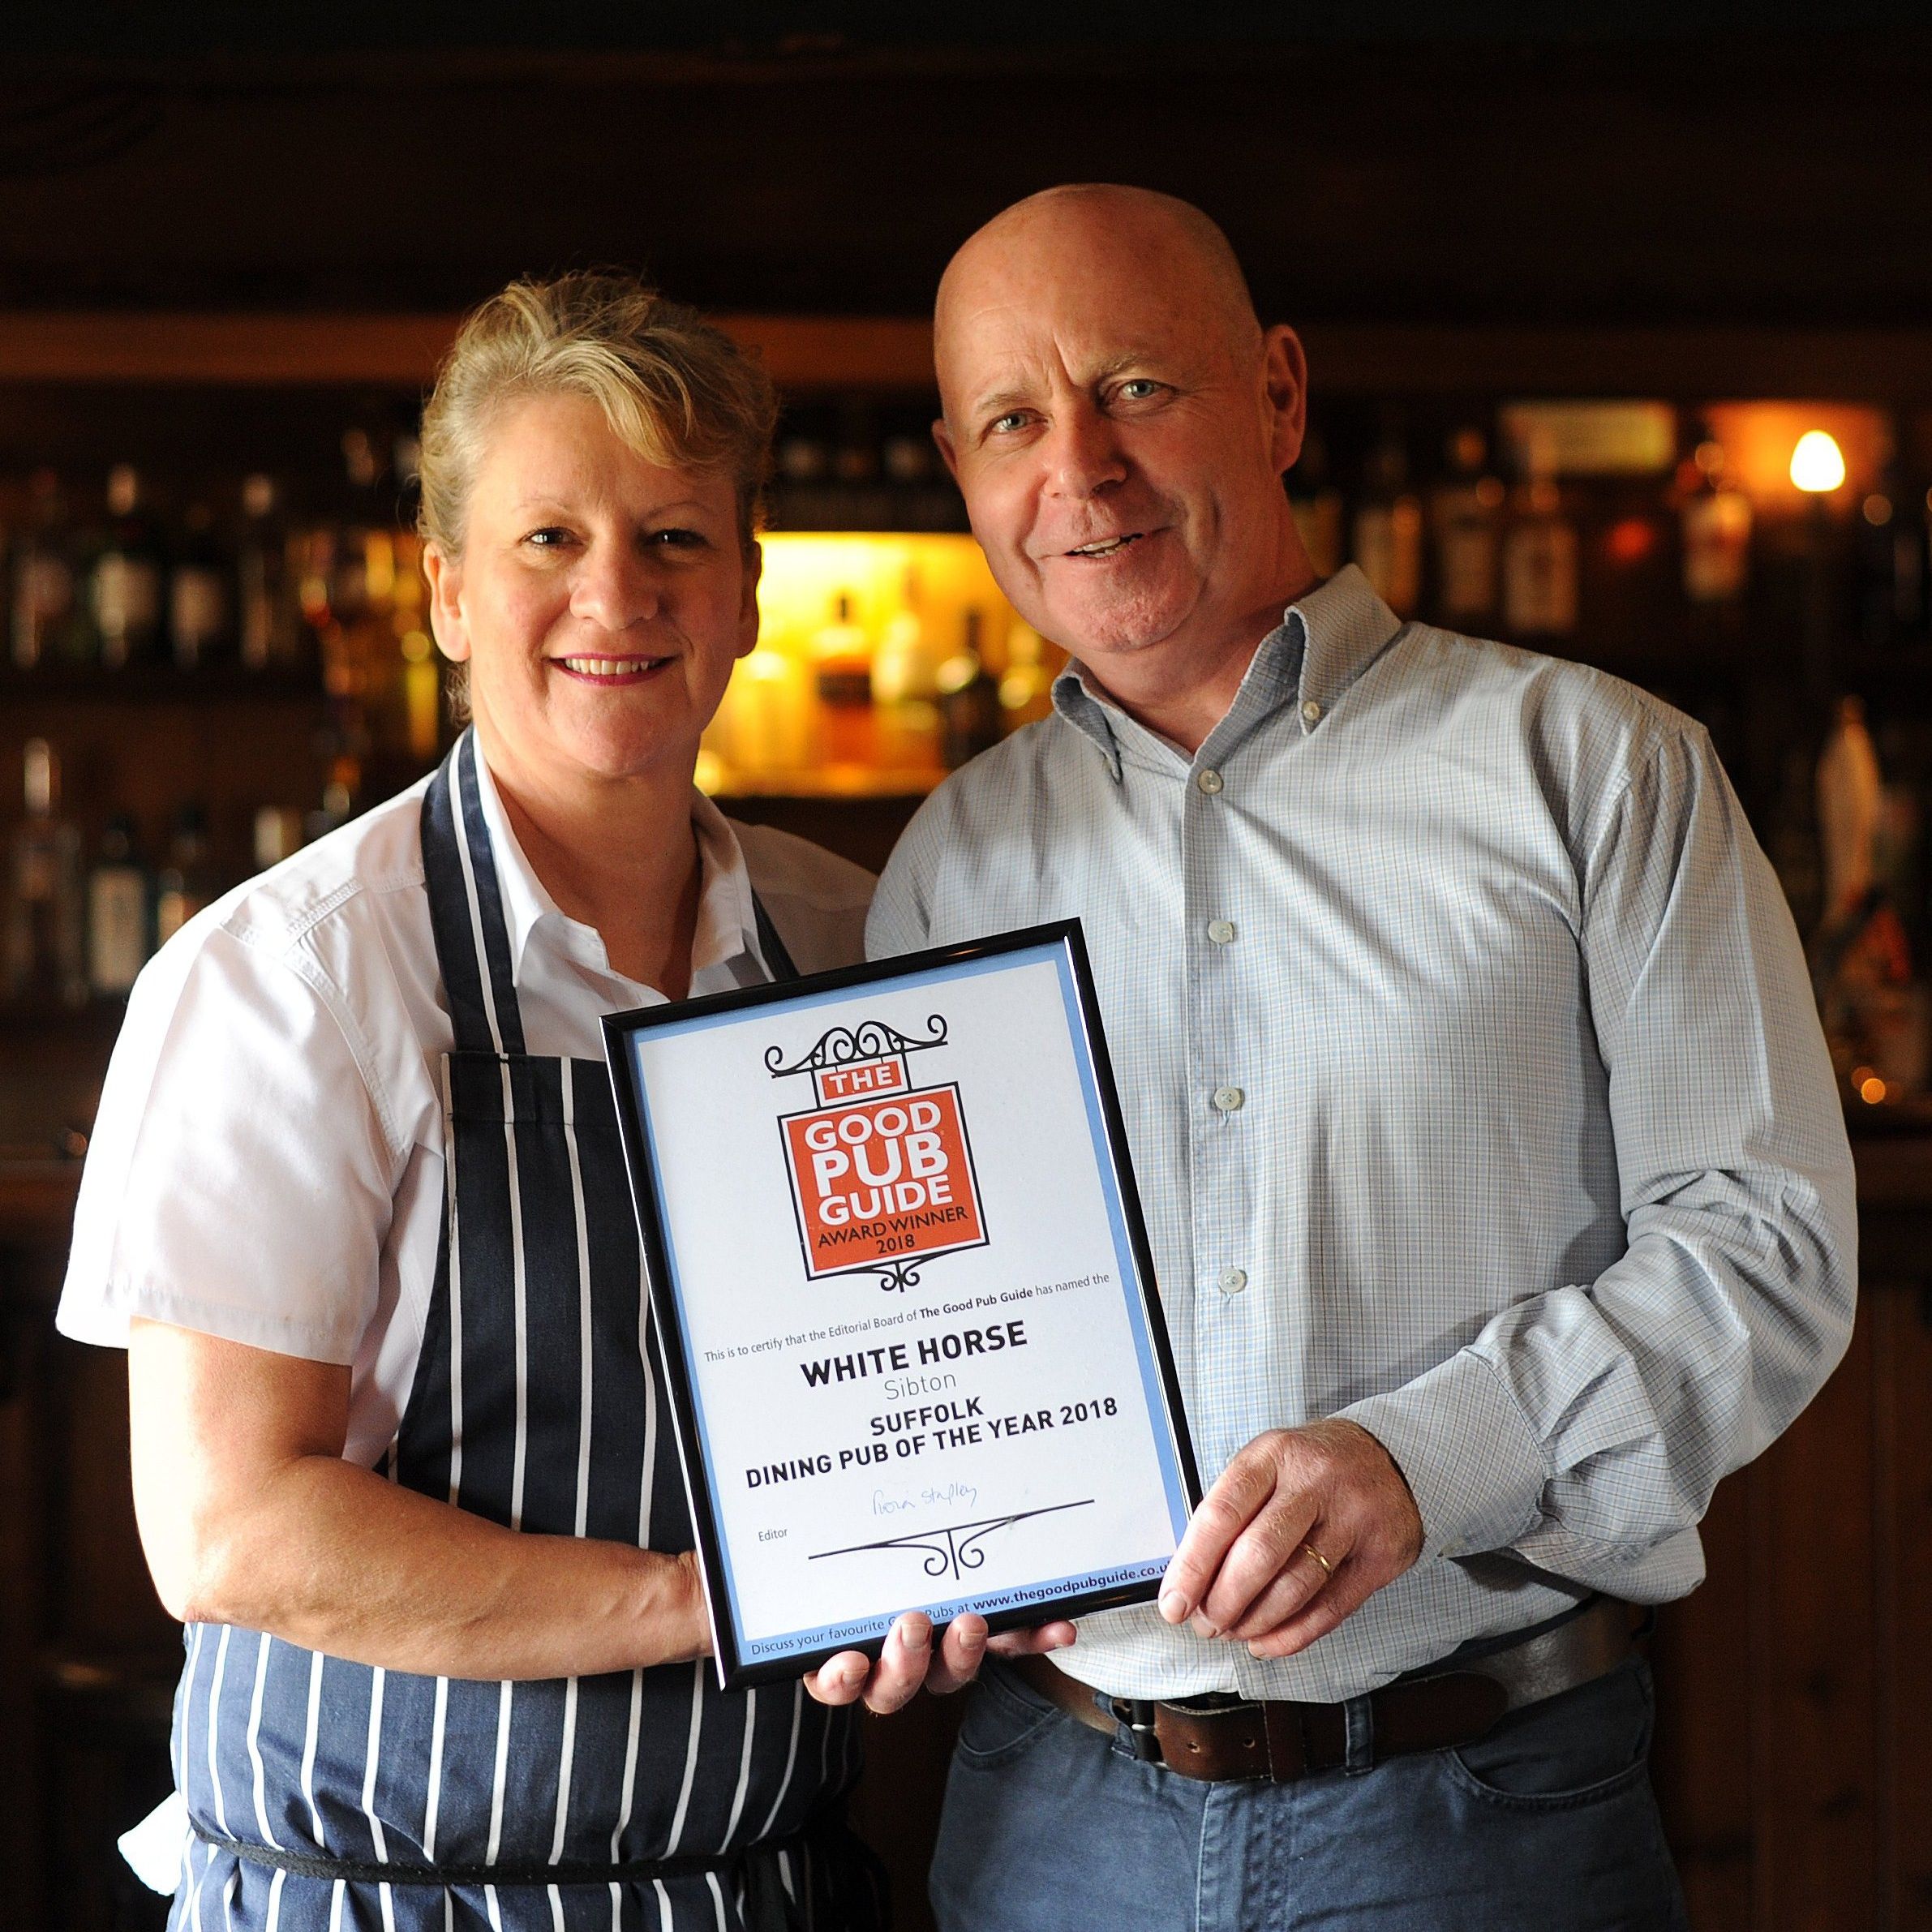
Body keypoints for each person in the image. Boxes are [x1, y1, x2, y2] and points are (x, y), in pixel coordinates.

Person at [815, 186, 1858, 1930]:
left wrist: (1423, 1457)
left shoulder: (1598, 771)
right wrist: (898, 1542)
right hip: (1052, 1814)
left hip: (1484, 1814)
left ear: (1279, 396)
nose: (1078, 467)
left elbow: (1771, 1245)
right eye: (1013, 420)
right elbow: (916, 1316)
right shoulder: (951, 862)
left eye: (1135, 386)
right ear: (960, 469)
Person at [58, 272, 888, 1931]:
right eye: (547, 540)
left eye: (673, 539)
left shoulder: (849, 939)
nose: (616, 595)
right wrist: (719, 1597)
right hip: (385, 1898)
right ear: (442, 592)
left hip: (754, 1893)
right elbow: (233, 1532)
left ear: (748, 593)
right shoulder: (295, 981)